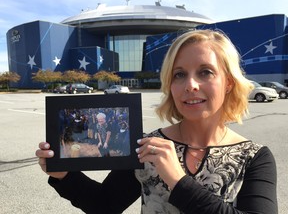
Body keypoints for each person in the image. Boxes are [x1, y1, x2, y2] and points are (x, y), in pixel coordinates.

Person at [36, 29, 277, 213]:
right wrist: (65, 176)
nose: (190, 85)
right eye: (179, 74)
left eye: (205, 72)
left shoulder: (254, 157)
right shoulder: (147, 147)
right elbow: (104, 205)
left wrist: (178, 181)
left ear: (228, 83)